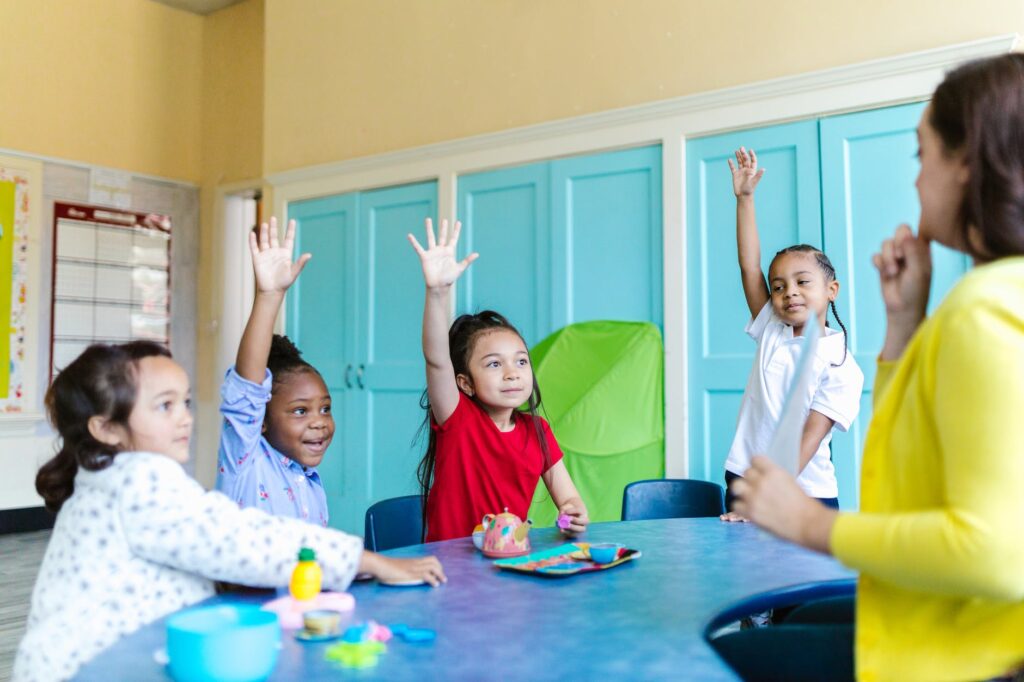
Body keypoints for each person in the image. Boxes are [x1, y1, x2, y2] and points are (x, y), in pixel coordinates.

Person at [728, 53, 1024, 682]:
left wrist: (809, 521)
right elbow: (914, 463)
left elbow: (999, 554)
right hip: (936, 619)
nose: (916, 181)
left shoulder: (985, 311)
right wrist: (903, 325)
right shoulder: (995, 300)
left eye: (923, 156)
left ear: (968, 162)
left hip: (957, 655)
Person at [14, 341, 445, 682]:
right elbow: (239, 538)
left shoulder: (111, 477)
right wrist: (365, 560)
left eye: (184, 402)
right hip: (89, 670)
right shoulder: (136, 480)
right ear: (105, 428)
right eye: (165, 406)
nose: (184, 418)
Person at [407, 218, 589, 541]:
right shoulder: (457, 418)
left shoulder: (538, 431)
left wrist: (574, 513)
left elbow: (570, 500)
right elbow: (436, 360)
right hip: (451, 570)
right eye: (494, 364)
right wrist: (436, 294)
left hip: (509, 566)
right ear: (465, 383)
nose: (512, 373)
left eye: (521, 361)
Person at [721, 146, 864, 522]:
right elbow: (748, 264)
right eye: (779, 286)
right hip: (746, 478)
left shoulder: (841, 364)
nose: (789, 293)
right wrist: (745, 199)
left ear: (831, 289)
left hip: (804, 494)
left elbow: (808, 440)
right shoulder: (772, 327)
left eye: (802, 282)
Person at [216, 217, 333, 525]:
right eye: (299, 411)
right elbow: (248, 389)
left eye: (325, 409)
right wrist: (269, 296)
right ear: (261, 421)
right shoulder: (245, 460)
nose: (319, 422)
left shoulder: (309, 480)